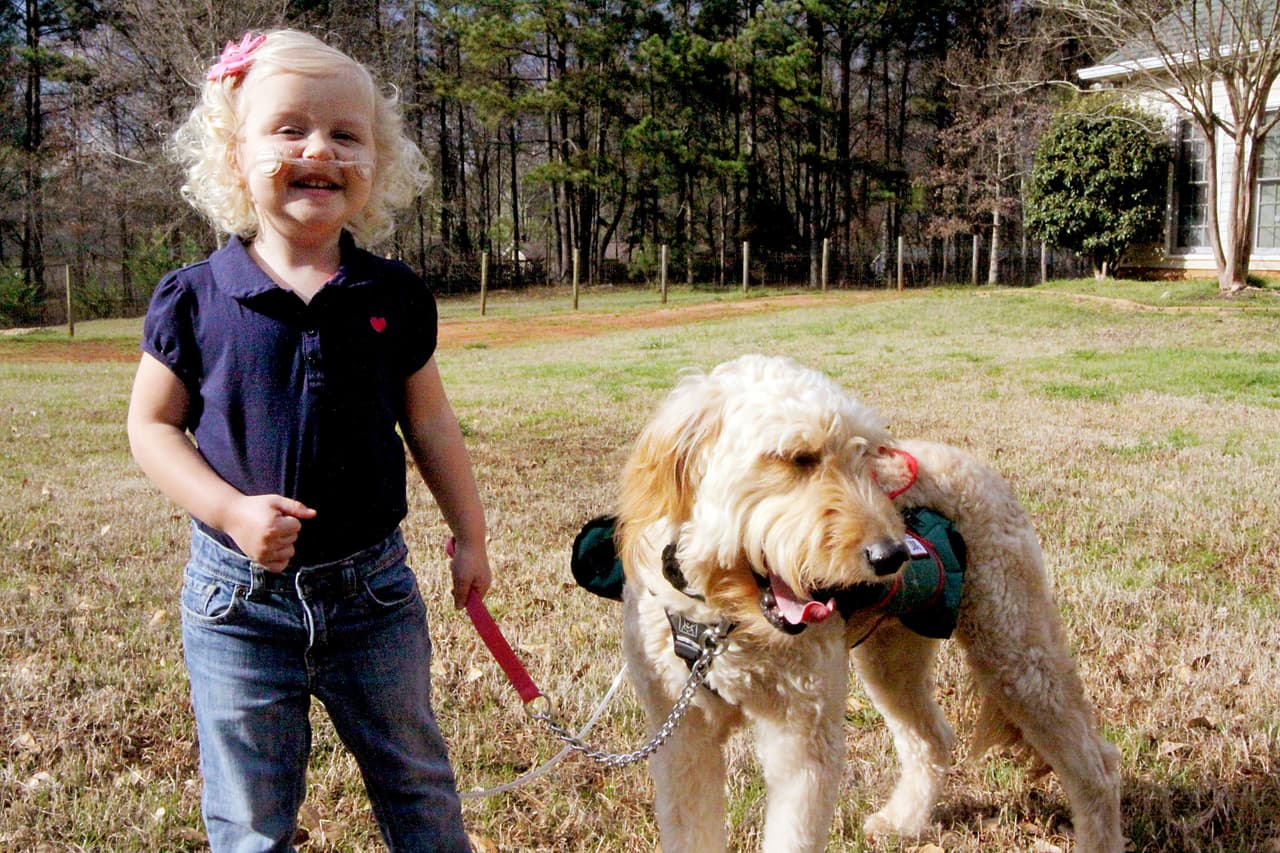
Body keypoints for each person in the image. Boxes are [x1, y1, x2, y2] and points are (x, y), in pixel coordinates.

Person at [126, 29, 489, 853]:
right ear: (231, 154)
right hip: (238, 604)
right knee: (250, 813)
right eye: (288, 128)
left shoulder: (390, 294)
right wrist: (228, 509)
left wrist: (469, 533)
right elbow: (150, 427)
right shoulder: (195, 298)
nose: (318, 148)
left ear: (376, 161)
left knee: (418, 782)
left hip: (375, 595)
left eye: (345, 133)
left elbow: (429, 422)